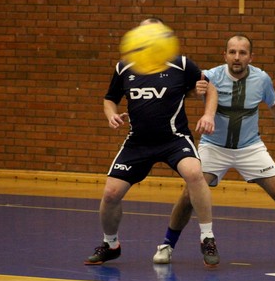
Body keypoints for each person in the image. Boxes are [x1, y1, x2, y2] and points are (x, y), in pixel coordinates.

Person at [153, 34, 275, 267]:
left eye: (242, 53)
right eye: (232, 52)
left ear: (250, 57)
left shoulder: (261, 79)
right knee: (188, 196)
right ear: (225, 55)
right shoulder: (209, 76)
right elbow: (181, 92)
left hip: (250, 147)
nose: (237, 57)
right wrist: (193, 90)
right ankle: (167, 245)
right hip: (213, 147)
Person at [85, 18, 217, 265]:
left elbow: (208, 88)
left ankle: (207, 237)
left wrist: (208, 114)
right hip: (138, 142)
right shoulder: (125, 66)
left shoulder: (181, 64)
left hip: (174, 138)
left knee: (194, 173)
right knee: (111, 193)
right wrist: (111, 114)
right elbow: (110, 98)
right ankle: (110, 244)